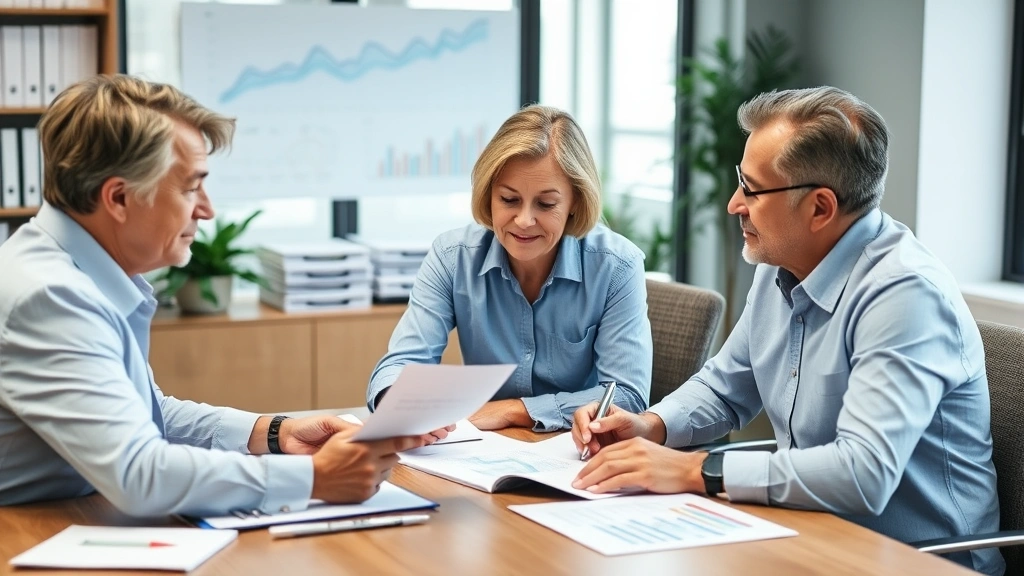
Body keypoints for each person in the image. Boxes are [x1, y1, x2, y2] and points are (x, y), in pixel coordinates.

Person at [569, 87, 1003, 575]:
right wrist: (652, 426)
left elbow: (863, 474)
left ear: (819, 208)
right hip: (808, 538)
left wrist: (695, 470)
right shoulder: (784, 260)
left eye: (751, 190)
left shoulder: (905, 297)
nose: (735, 204)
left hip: (915, 563)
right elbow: (725, 387)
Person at [0, 75, 441, 517]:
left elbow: (145, 413)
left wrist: (274, 432)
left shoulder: (78, 272)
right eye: (191, 187)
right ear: (118, 197)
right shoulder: (51, 297)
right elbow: (139, 474)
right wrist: (316, 478)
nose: (206, 209)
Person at [367, 105, 653, 432]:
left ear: (575, 200)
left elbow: (627, 397)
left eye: (546, 204)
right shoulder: (452, 257)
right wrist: (400, 404)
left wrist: (514, 411)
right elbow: (401, 363)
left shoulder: (617, 266)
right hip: (478, 451)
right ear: (489, 195)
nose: (524, 220)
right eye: (509, 199)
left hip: (574, 454)